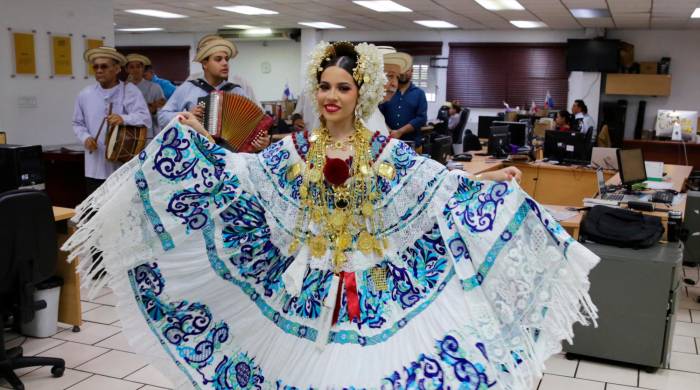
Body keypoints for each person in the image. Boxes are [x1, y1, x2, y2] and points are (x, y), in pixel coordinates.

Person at [64, 41, 599, 389]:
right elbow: (238, 175)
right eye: (324, 86)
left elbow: (442, 186)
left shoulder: (387, 150)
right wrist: (194, 141)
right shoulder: (296, 148)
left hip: (372, 287)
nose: (332, 96)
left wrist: (492, 182)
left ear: (361, 94)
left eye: (343, 87)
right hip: (307, 285)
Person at [158, 36, 269, 151]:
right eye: (218, 59)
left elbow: (256, 123)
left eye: (226, 59)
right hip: (197, 154)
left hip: (230, 156)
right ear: (205, 64)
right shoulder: (188, 88)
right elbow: (162, 117)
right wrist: (187, 115)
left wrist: (261, 141)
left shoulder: (237, 91)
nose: (225, 63)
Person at [72, 47, 150, 194]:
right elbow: (77, 123)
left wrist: (123, 118)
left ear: (117, 69)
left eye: (104, 66)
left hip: (122, 164)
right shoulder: (85, 94)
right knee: (95, 211)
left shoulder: (130, 90)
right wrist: (86, 138)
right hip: (94, 166)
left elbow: (145, 118)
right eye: (96, 67)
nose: (99, 70)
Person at [379, 52, 428, 151]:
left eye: (407, 70)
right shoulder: (388, 92)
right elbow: (379, 113)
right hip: (388, 145)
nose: (403, 73)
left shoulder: (419, 93)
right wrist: (389, 131)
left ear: (412, 71)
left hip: (412, 146)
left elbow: (421, 118)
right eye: (401, 70)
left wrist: (400, 131)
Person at [126, 54, 165, 138]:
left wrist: (154, 111)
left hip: (149, 134)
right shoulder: (122, 89)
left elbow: (163, 114)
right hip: (127, 135)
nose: (135, 70)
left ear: (143, 68)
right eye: (131, 67)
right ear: (127, 70)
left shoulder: (155, 88)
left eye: (138, 66)